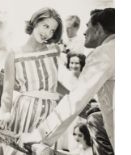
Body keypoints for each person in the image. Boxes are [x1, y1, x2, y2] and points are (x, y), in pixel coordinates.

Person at [17, 7, 115, 154]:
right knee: (97, 118)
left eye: (87, 26)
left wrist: (40, 134)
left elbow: (76, 99)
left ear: (99, 28)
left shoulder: (105, 52)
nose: (84, 32)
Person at [0, 7, 63, 155]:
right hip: (25, 110)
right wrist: (5, 113)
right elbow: (7, 88)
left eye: (52, 30)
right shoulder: (14, 53)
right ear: (36, 22)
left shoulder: (55, 51)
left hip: (50, 114)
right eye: (45, 26)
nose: (47, 32)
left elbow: (62, 84)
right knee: (18, 150)